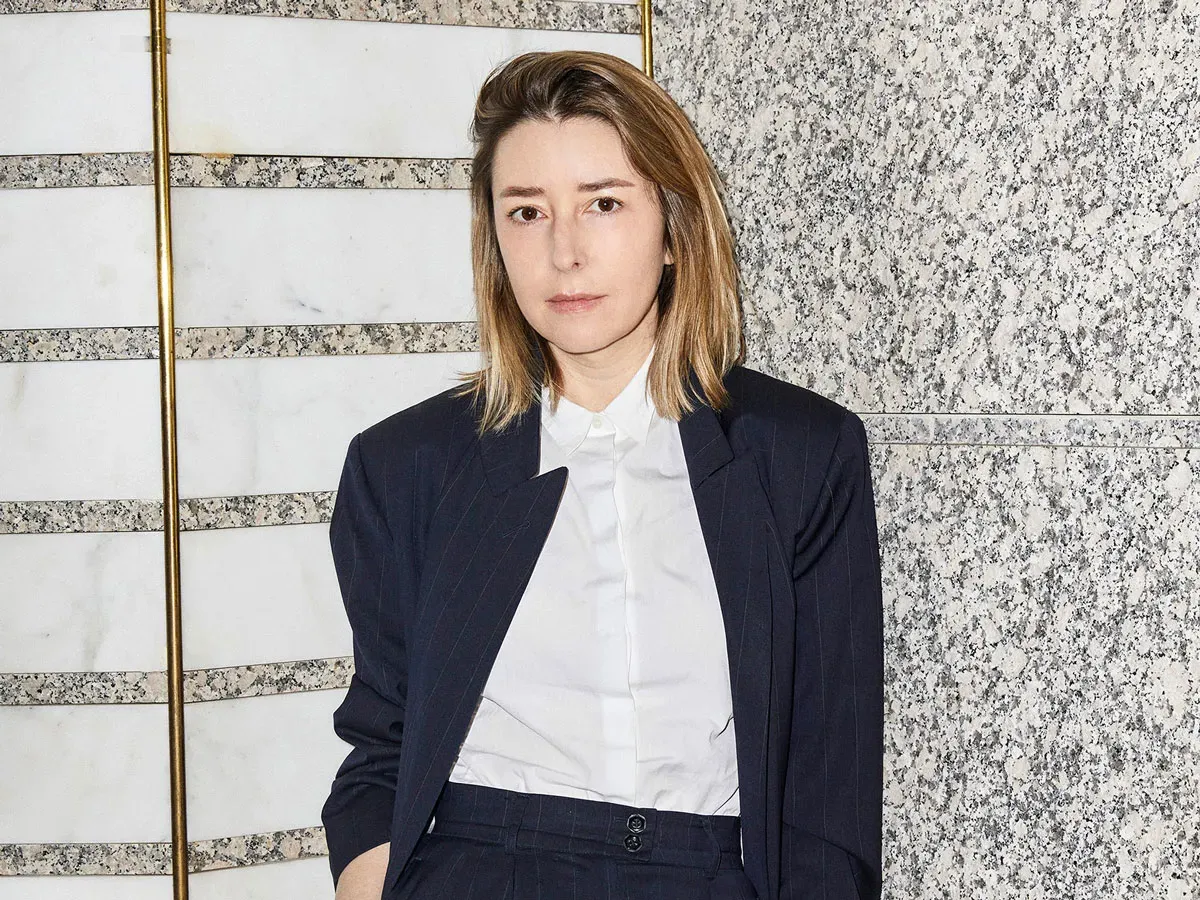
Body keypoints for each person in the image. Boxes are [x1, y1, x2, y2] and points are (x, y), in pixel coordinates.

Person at [321, 50, 883, 900]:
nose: (564, 252)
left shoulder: (801, 454)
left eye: (604, 204)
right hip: (478, 869)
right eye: (526, 212)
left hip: (708, 874)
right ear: (494, 239)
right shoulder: (405, 466)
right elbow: (381, 746)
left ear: (674, 228)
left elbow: (828, 779)